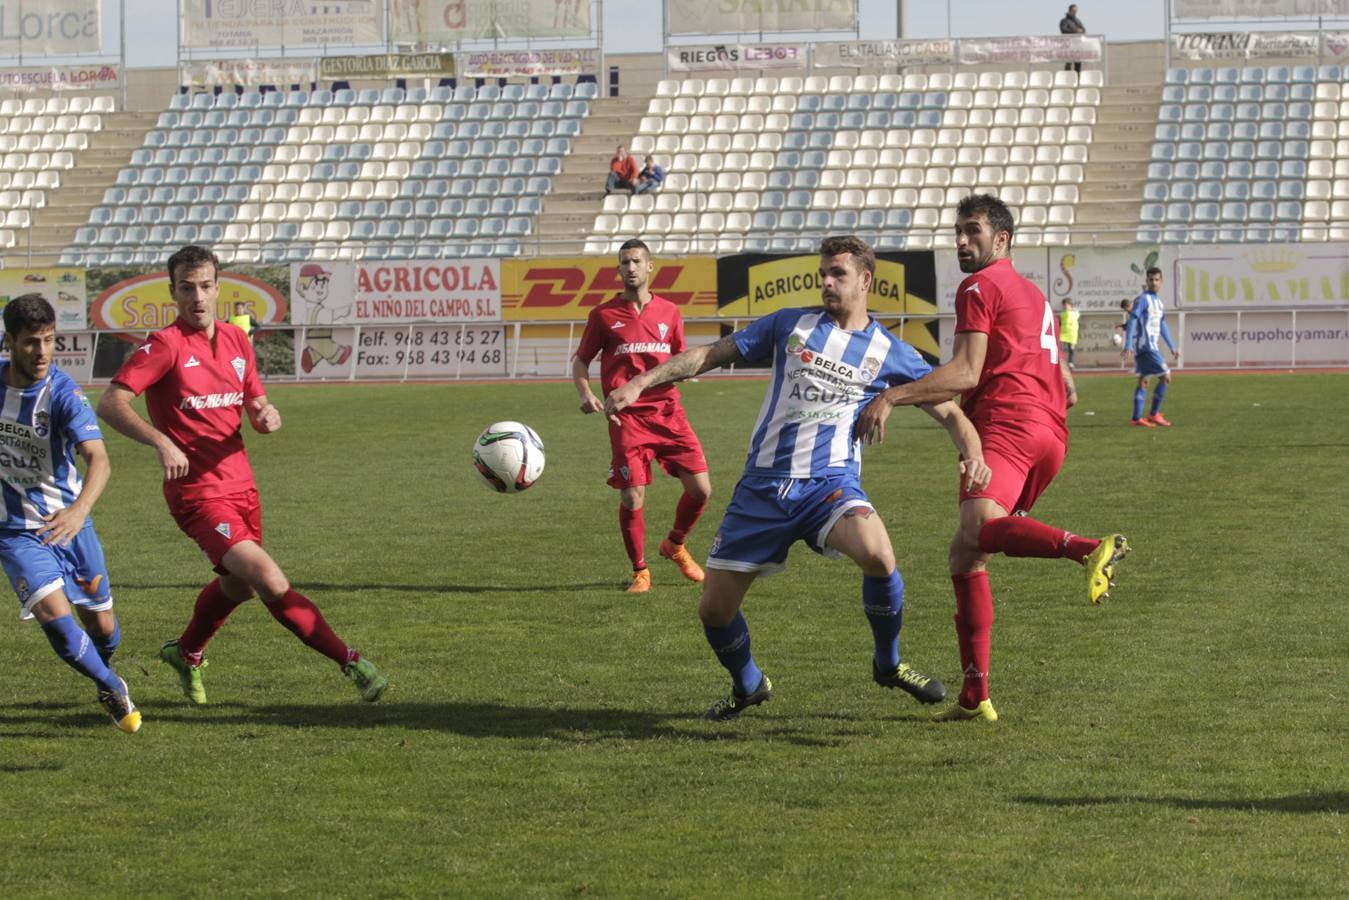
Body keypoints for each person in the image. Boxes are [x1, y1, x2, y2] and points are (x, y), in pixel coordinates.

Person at [606, 235, 992, 721]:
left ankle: (888, 664)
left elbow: (953, 415)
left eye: (839, 274)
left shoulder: (889, 353)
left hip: (827, 486)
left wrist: (973, 455)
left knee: (878, 554)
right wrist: (643, 380)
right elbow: (710, 354)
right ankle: (748, 685)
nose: (827, 282)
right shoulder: (792, 323)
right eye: (823, 274)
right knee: (713, 612)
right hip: (762, 489)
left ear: (865, 281)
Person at [855, 194, 1128, 723]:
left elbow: (965, 372)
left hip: (1008, 426)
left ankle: (1089, 548)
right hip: (1051, 436)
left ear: (1001, 239)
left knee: (981, 531)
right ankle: (974, 694)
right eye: (957, 231)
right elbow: (1063, 380)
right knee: (966, 555)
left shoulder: (978, 285)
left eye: (973, 231)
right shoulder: (1031, 293)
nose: (961, 240)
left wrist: (891, 395)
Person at [95, 245, 387, 705]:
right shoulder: (165, 345)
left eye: (206, 287)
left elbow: (255, 405)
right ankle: (351, 661)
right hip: (197, 495)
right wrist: (161, 440)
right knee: (268, 579)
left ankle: (186, 652)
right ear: (173, 292)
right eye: (187, 288)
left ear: (217, 288)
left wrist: (266, 415)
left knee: (240, 586)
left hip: (243, 487)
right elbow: (110, 402)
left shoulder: (235, 340)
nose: (198, 297)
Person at [0, 294, 140, 734]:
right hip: (15, 529)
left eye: (48, 340)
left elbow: (99, 459)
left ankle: (102, 665)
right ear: (9, 342)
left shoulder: (62, 393)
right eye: (29, 342)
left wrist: (79, 513)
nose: (41, 352)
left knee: (103, 625)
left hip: (69, 524)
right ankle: (111, 686)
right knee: (55, 620)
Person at [572, 238, 711, 592]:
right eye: (624, 262)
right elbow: (581, 361)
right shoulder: (603, 315)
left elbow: (678, 359)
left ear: (650, 267)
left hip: (668, 412)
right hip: (627, 419)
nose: (630, 267)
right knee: (632, 496)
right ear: (618, 269)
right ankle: (640, 571)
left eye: (636, 261)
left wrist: (688, 372)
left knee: (701, 490)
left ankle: (675, 545)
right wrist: (586, 393)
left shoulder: (669, 312)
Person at [1124, 266, 1179, 427]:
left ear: (1161, 282)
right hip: (1147, 347)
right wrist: (1128, 343)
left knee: (1143, 381)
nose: (1154, 282)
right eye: (1151, 279)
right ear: (1146, 281)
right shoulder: (1143, 299)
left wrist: (1172, 346)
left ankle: (1136, 418)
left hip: (1146, 348)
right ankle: (1154, 414)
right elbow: (1133, 319)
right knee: (1166, 376)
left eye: (1156, 279)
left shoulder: (1159, 303)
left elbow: (1162, 326)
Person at [1059, 4, 1086, 73]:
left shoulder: (1078, 21)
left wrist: (1081, 30)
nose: (1075, 12)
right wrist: (1075, 31)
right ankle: (1067, 80)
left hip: (1078, 46)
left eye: (1076, 11)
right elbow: (1064, 30)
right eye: (1074, 11)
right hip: (1069, 46)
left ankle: (1077, 80)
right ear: (1070, 11)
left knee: (1078, 64)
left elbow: (1083, 30)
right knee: (1068, 63)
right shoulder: (1064, 21)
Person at [1059, 298, 1079, 370]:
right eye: (1064, 305)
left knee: (1071, 349)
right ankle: (1060, 363)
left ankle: (1070, 363)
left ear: (1070, 305)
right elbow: (1060, 323)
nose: (1065, 306)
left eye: (1066, 305)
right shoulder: (1062, 313)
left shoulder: (1075, 313)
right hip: (1063, 334)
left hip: (1072, 334)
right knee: (1060, 349)